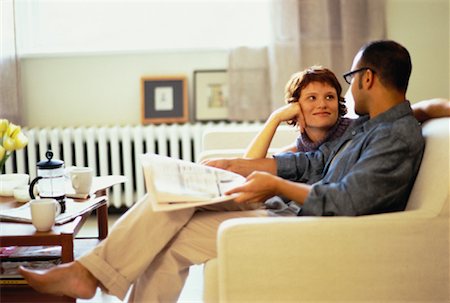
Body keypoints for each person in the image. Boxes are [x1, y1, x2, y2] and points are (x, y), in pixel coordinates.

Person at [19, 40, 426, 302]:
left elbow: (348, 200)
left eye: (351, 81)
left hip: (313, 228)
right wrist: (242, 166)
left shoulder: (393, 137)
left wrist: (271, 184)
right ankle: (88, 274)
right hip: (294, 214)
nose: (347, 92)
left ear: (367, 78)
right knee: (170, 215)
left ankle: (87, 274)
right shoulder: (375, 127)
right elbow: (315, 163)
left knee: (171, 215)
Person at [245, 66, 449, 159]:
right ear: (296, 107)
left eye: (329, 97)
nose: (322, 104)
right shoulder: (299, 150)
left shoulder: (358, 129)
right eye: (312, 98)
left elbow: (424, 109)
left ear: (338, 103)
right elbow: (249, 166)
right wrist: (275, 118)